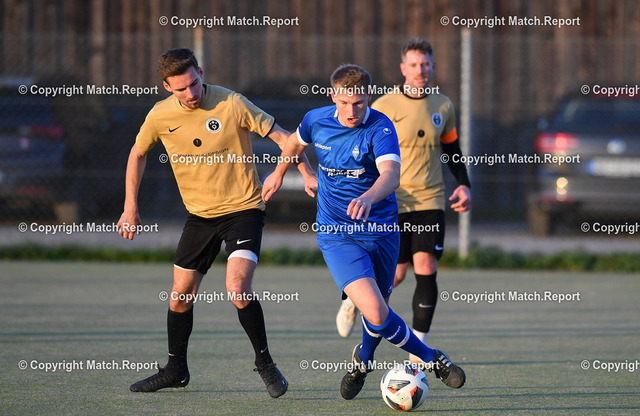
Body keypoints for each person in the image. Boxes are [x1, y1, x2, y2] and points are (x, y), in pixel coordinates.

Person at [117, 48, 316, 397]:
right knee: (179, 297)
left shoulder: (232, 103)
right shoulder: (160, 115)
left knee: (237, 288)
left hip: (244, 209)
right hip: (200, 216)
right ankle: (176, 370)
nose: (191, 93)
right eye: (181, 89)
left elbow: (284, 137)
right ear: (167, 87)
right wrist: (130, 206)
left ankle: (265, 364)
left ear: (201, 73)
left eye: (194, 83)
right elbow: (138, 152)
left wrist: (307, 171)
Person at [262, 64, 465, 399]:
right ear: (333, 96)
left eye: (358, 103)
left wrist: (368, 197)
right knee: (375, 310)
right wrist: (281, 173)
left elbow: (391, 175)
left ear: (369, 96)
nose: (351, 111)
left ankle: (363, 361)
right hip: (336, 233)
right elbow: (293, 144)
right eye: (344, 103)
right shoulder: (315, 120)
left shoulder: (381, 127)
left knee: (379, 311)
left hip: (382, 232)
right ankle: (434, 359)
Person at [336, 38, 471, 367]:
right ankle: (353, 300)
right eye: (413, 65)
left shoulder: (443, 106)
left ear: (433, 67)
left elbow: (452, 150)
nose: (420, 70)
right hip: (390, 202)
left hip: (430, 199)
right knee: (393, 277)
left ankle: (418, 348)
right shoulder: (383, 106)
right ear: (403, 68)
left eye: (425, 64)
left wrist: (464, 184)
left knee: (426, 267)